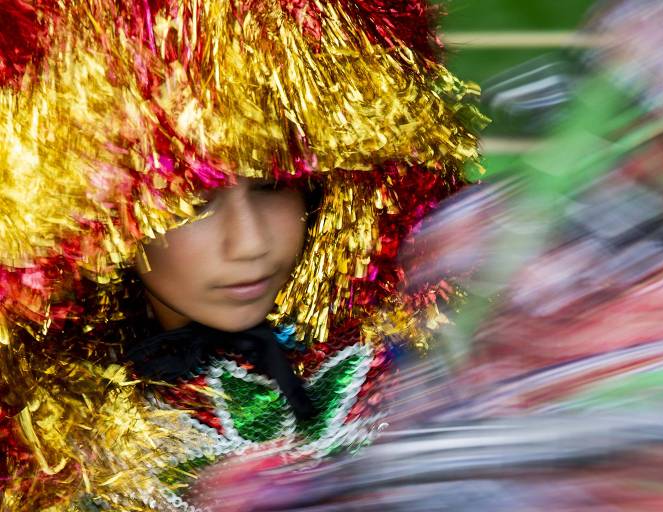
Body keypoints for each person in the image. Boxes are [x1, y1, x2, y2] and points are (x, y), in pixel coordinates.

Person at [0, 0, 484, 509]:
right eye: (191, 203)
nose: (250, 243)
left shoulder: (418, 338)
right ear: (92, 208)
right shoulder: (39, 417)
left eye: (274, 183)